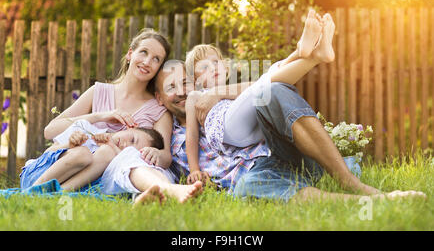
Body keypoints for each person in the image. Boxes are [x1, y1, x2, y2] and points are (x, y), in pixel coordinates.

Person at [145, 56, 425, 202]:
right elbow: (158, 164)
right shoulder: (170, 138)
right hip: (255, 174)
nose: (181, 92)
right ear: (159, 98)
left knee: (273, 90)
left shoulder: (208, 102)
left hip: (278, 150)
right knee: (249, 188)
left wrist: (217, 93)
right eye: (171, 88)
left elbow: (254, 90)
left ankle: (350, 182)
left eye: (185, 83)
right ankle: (377, 202)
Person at [183, 10, 335, 184]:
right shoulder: (195, 96)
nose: (212, 68)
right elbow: (192, 136)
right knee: (260, 86)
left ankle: (303, 52)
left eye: (215, 62)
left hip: (257, 133)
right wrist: (194, 169)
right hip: (229, 129)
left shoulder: (232, 89)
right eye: (203, 67)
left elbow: (258, 87)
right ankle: (308, 55)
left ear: (225, 68)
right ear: (196, 80)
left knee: (264, 87)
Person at [21, 29, 173, 192]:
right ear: (130, 54)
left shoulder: (159, 111)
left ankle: (54, 194)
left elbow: (166, 156)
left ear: (159, 68)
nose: (147, 61)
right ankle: (40, 191)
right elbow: (49, 131)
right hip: (57, 169)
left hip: (96, 181)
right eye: (143, 52)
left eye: (156, 59)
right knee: (87, 153)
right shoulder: (98, 92)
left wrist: (155, 154)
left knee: (107, 153)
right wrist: (101, 116)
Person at [20, 119, 165, 191]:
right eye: (132, 139)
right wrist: (70, 146)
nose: (126, 145)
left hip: (61, 188)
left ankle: (54, 194)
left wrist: (113, 149)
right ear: (129, 128)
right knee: (83, 154)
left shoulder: (111, 163)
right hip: (36, 175)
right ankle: (33, 192)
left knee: (106, 152)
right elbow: (46, 154)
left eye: (130, 150)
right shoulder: (85, 128)